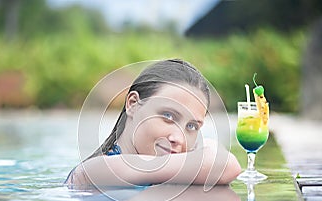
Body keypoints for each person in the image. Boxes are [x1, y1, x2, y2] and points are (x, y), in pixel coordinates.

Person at [65, 59, 241, 187]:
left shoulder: (164, 172)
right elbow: (227, 165)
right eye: (168, 116)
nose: (178, 138)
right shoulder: (96, 170)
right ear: (132, 104)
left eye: (192, 126)